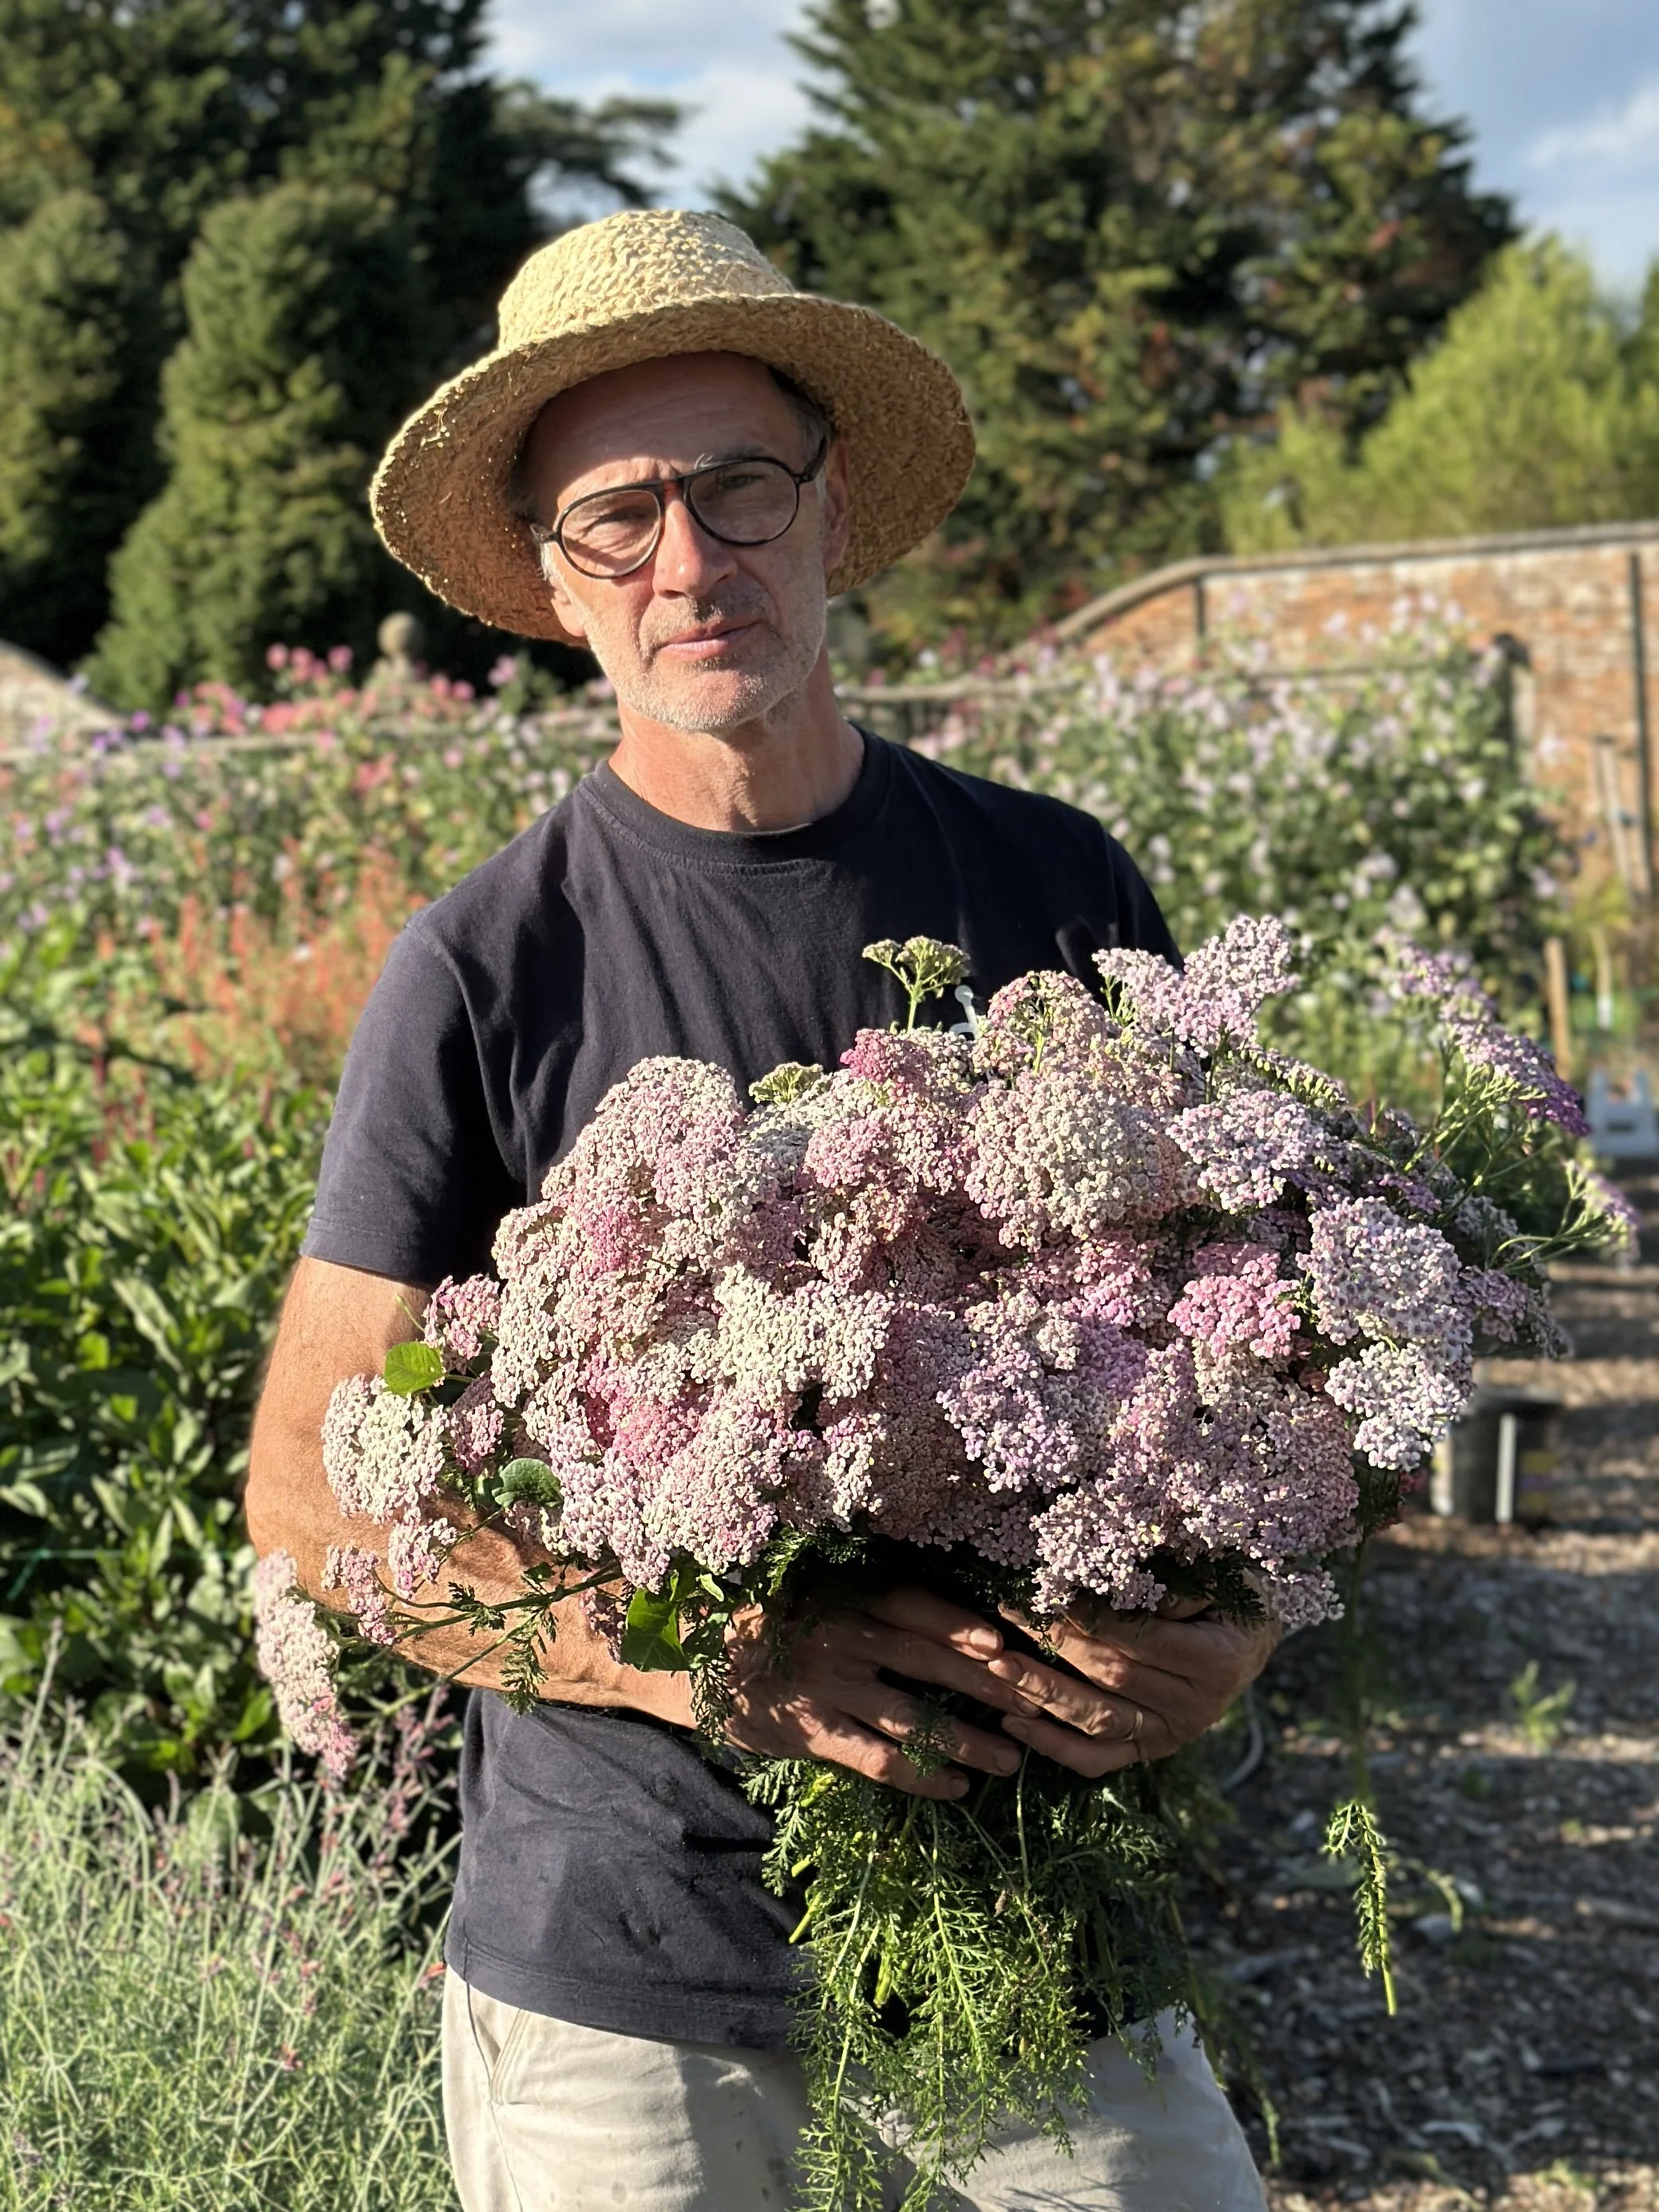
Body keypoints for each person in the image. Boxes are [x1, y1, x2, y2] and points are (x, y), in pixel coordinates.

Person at [247, 208, 1276, 2212]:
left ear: (827, 509)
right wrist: (699, 1661)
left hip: (1037, 1907)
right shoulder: (480, 969)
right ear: (553, 582)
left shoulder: (1054, 886)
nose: (690, 561)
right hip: (628, 1959)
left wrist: (1221, 1632)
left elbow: (1268, 1318)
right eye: (617, 517)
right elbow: (309, 1486)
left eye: (735, 487)